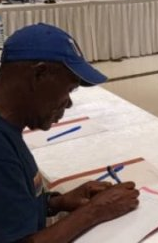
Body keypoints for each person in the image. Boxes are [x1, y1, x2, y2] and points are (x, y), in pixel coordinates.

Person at [0, 23, 140, 243]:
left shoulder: (8, 129)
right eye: (69, 89)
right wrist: (93, 212)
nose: (69, 103)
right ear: (39, 74)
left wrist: (56, 203)